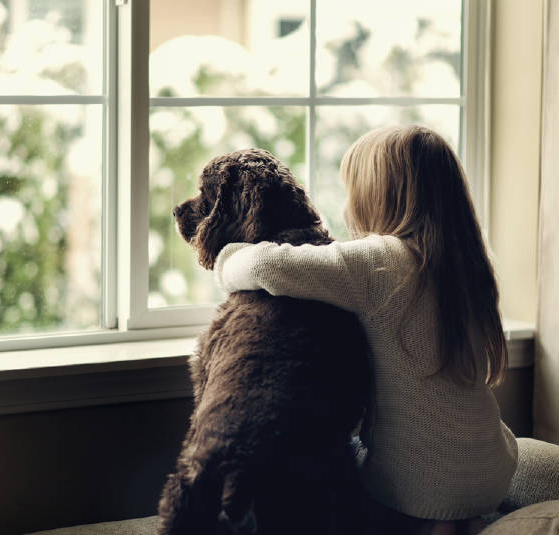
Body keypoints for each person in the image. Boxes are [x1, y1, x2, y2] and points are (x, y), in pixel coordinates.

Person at [213, 125, 518, 534]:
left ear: (379, 197)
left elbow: (268, 266)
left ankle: (431, 515)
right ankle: (461, 514)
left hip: (416, 482)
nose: (346, 208)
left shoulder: (381, 262)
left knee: (342, 462)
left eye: (352, 192)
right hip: (493, 469)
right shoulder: (471, 264)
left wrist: (225, 256)